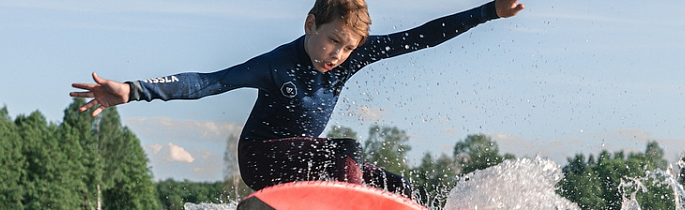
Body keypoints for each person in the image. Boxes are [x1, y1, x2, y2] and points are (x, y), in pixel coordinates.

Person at [70, 0, 525, 199]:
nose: (339, 55)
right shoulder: (276, 64)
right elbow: (209, 81)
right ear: (310, 25)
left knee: (404, 187)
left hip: (309, 165)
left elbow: (419, 38)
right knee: (345, 150)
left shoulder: (350, 56)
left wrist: (489, 11)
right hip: (262, 161)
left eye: (348, 48)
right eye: (332, 42)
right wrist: (133, 90)